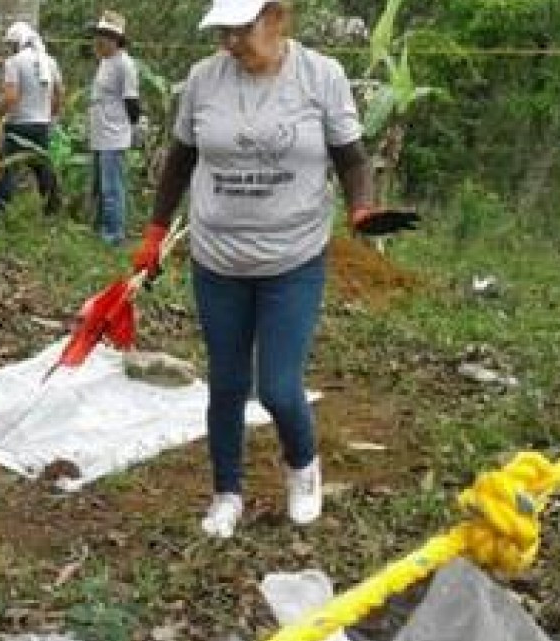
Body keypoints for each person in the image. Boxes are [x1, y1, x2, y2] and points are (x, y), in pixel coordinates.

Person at [131, 0, 376, 539]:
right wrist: (154, 232)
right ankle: (227, 494)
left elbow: (352, 159)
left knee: (279, 388)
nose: (230, 43)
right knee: (226, 383)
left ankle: (303, 466)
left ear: (278, 18)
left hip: (293, 258)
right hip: (217, 258)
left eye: (240, 30)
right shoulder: (203, 79)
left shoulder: (321, 76)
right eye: (223, 31)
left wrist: (361, 208)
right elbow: (179, 159)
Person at [0, 21, 64, 217]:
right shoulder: (50, 62)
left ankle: (1, 211)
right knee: (42, 168)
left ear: (17, 42)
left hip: (18, 125)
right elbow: (59, 93)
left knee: (7, 169)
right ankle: (52, 209)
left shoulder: (14, 62)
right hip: (41, 125)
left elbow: (10, 97)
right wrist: (51, 115)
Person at [88, 10, 141, 246]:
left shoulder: (124, 65)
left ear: (116, 40)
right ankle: (101, 228)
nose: (100, 40)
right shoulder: (105, 62)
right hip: (100, 133)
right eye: (99, 35)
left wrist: (133, 127)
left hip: (114, 134)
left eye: (106, 36)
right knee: (100, 187)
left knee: (112, 189)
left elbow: (131, 101)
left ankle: (114, 235)